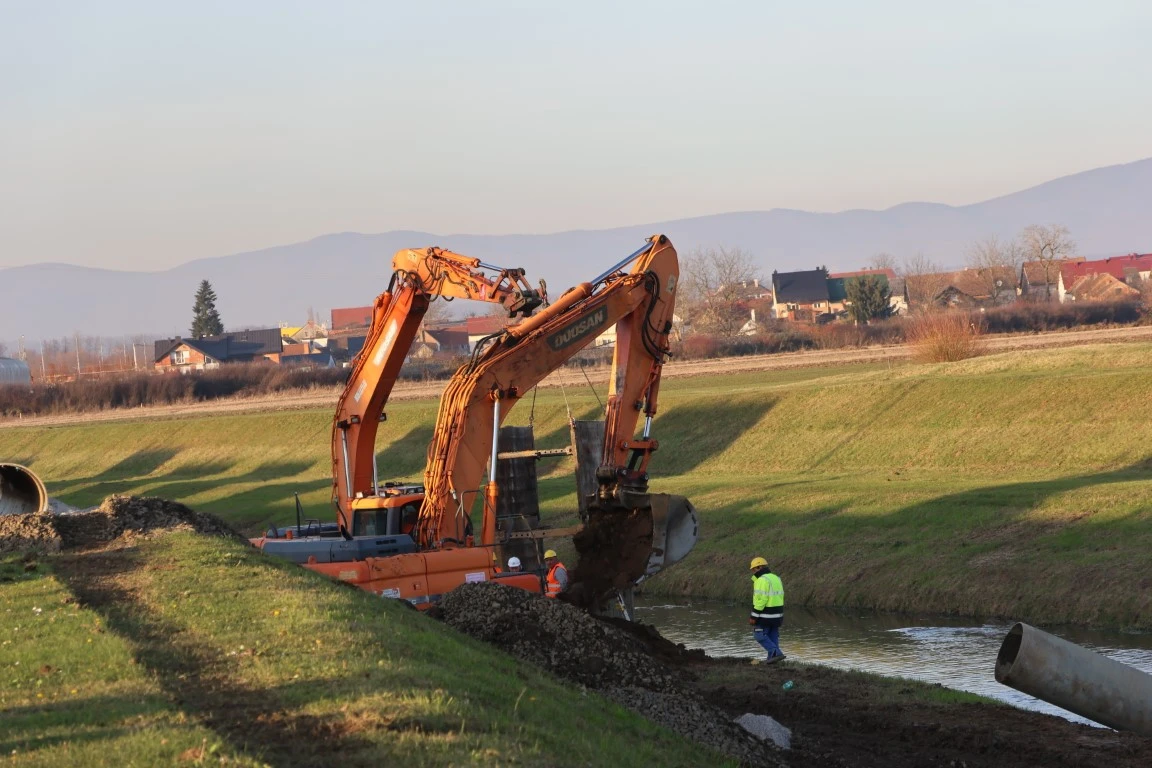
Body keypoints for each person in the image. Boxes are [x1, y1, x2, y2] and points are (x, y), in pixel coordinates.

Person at [748, 556, 785, 664]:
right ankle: (772, 660)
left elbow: (761, 600)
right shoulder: (776, 578)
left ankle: (776, 653)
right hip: (778, 615)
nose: (753, 572)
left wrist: (753, 616)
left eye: (754, 569)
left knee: (758, 634)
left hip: (766, 615)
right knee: (772, 635)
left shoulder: (761, 580)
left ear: (759, 567)